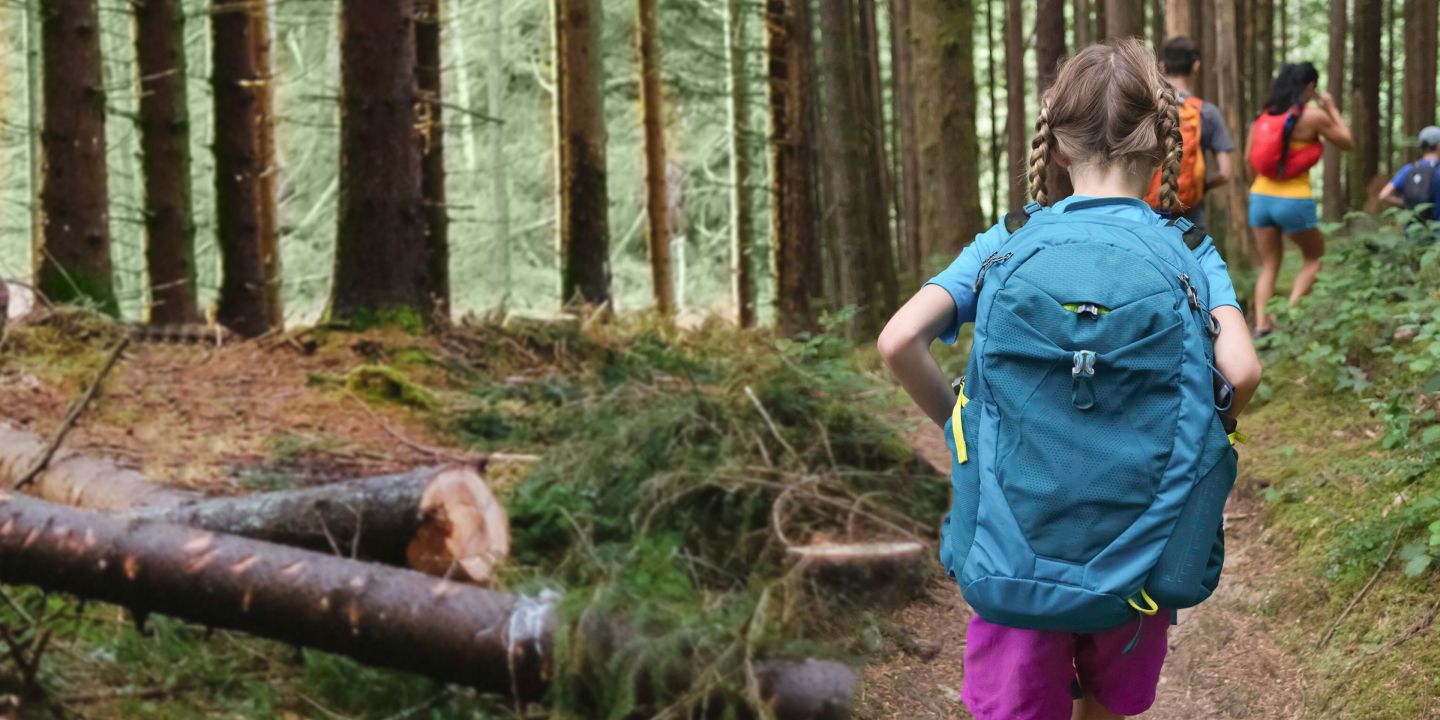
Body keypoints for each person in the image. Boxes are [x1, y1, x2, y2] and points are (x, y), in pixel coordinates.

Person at [877, 40, 1262, 720]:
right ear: (1162, 144)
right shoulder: (1189, 250)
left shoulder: (1008, 239)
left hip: (1011, 545)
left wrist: (958, 429)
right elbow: (1240, 371)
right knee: (1108, 706)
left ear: (1055, 145)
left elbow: (898, 340)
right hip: (1139, 552)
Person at [1246, 62, 1353, 338]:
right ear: (1309, 87)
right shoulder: (1313, 117)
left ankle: (1261, 325)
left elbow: (1249, 161)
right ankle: (1290, 316)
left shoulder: (1262, 118)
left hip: (1260, 198)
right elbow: (1347, 141)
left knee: (1269, 264)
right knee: (1314, 256)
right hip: (1293, 200)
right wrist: (1330, 107)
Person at [1143, 37, 1236, 237]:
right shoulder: (1207, 112)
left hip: (1146, 212)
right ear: (1196, 66)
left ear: (1161, 66)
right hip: (1189, 214)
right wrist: (1200, 186)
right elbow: (1226, 172)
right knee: (1192, 266)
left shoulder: (1145, 108)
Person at [1377, 125, 1440, 218]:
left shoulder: (1408, 169)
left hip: (1412, 228)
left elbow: (1383, 195)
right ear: (1438, 145)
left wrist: (1407, 204)